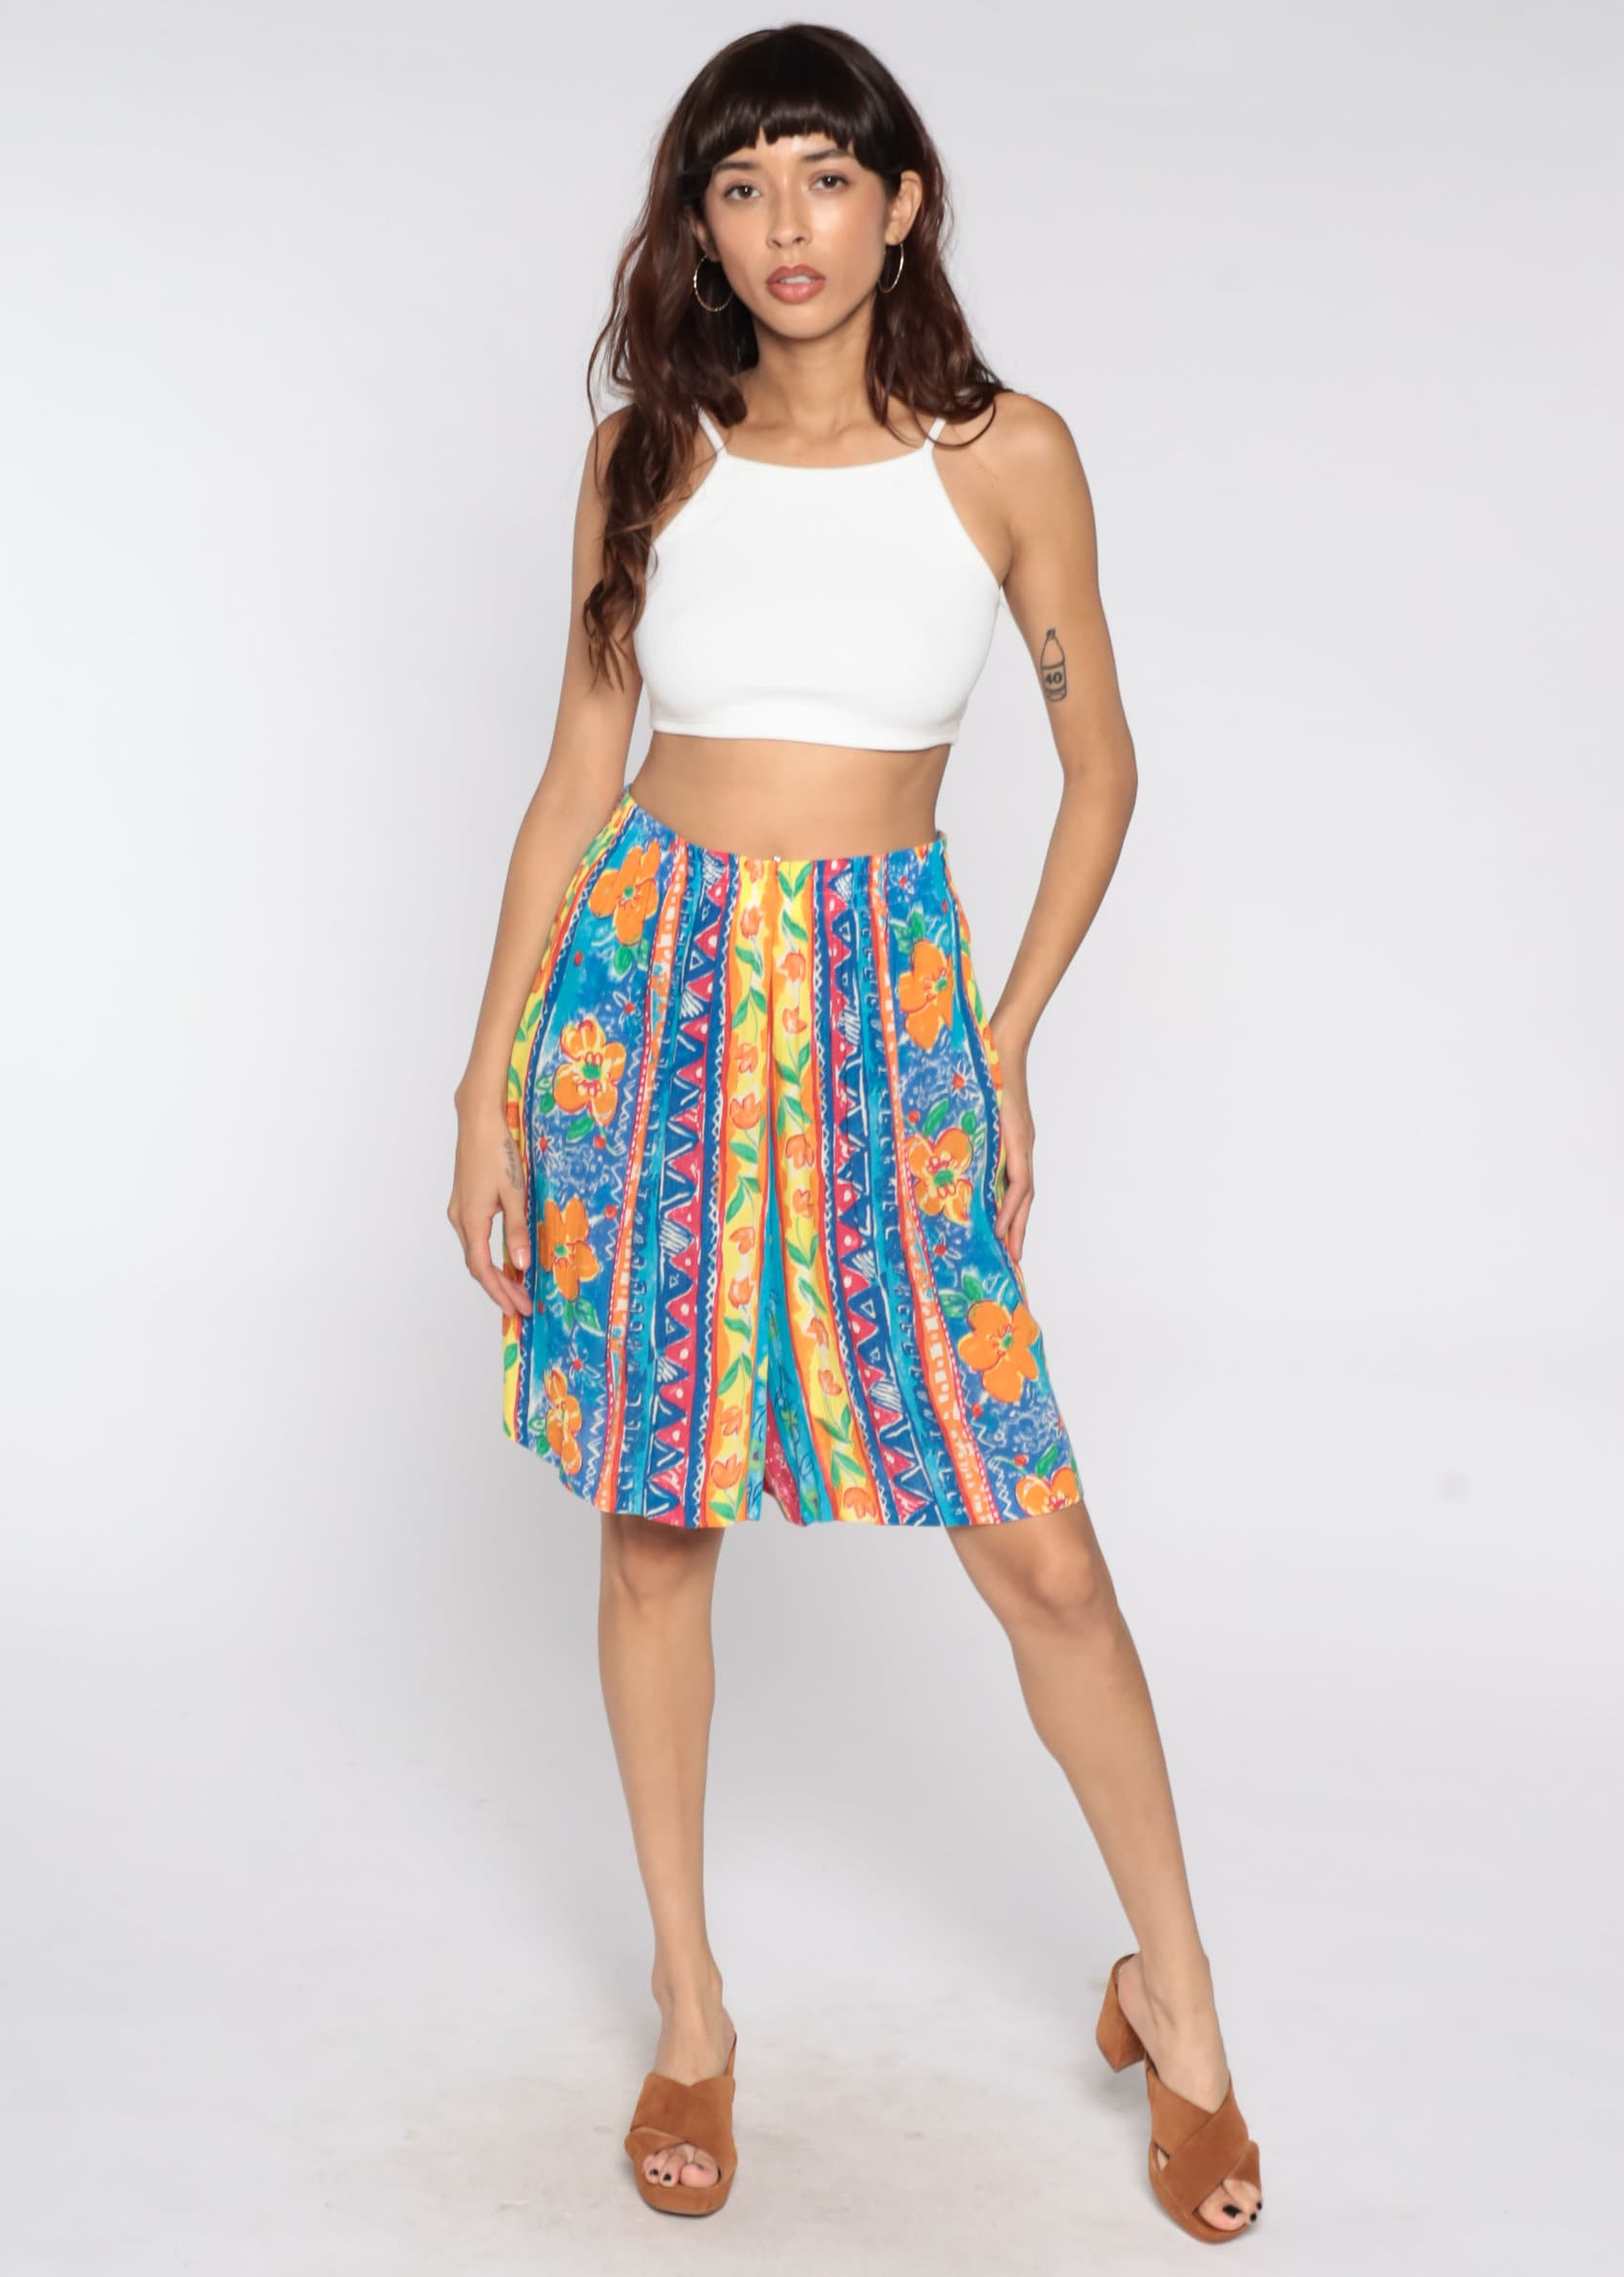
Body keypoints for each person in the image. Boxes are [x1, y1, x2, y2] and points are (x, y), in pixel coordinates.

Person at [446, 23, 1264, 2244]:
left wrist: (1002, 1038)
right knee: (652, 1520)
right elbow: (573, 779)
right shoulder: (649, 457)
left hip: (887, 1018)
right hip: (643, 1004)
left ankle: (1177, 2003)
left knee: (1036, 1542)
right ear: (698, 226)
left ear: (901, 204)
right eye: (739, 186)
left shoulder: (1004, 455)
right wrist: (485, 1079)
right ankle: (692, 2009)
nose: (783, 224)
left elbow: (1099, 769)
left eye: (824, 175)